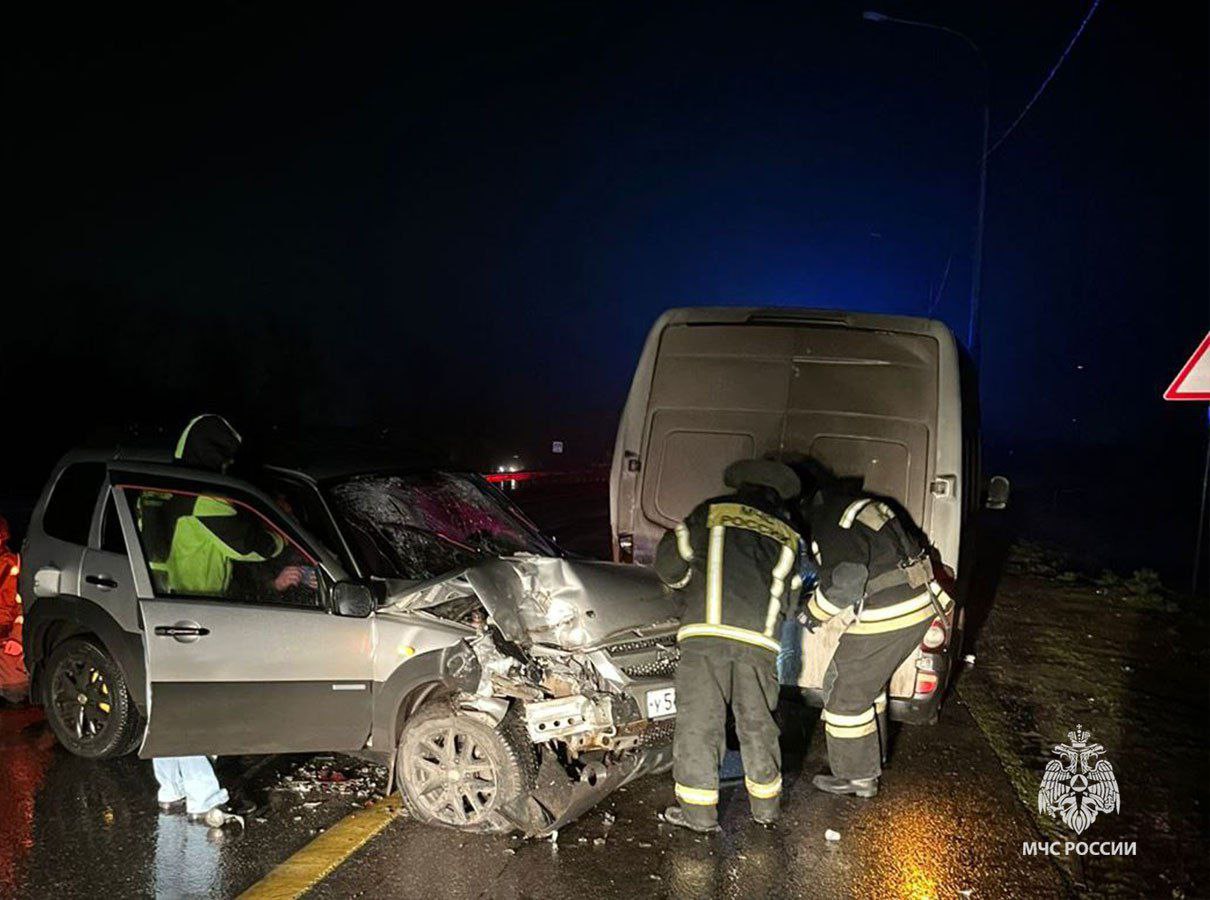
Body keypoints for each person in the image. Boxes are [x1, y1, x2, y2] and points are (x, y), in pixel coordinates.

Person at [654, 458, 804, 832]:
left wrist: (685, 590)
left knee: (699, 724)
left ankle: (699, 815)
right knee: (758, 724)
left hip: (705, 636)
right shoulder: (789, 533)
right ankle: (766, 809)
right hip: (759, 644)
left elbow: (669, 565)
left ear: (742, 485)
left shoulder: (711, 512)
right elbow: (792, 597)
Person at [799, 464, 952, 798]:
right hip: (922, 599)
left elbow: (849, 581)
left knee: (843, 689)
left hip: (893, 608)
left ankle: (856, 777)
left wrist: (810, 613)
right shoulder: (862, 505)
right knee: (867, 685)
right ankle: (873, 757)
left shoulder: (831, 517)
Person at [0, 516, 28, 703]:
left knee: (15, 691)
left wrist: (17, 637)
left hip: (8, 638)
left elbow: (24, 604)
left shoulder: (15, 563)